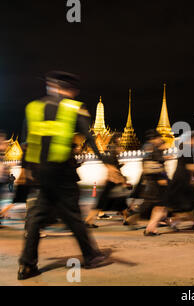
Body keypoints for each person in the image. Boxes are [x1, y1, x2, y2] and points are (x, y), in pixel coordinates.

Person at [17, 71, 120, 280]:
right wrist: (108, 164)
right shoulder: (73, 107)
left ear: (51, 86)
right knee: (73, 215)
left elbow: (26, 143)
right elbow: (91, 137)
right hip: (62, 171)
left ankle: (27, 265)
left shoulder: (34, 107)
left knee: (36, 217)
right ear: (71, 89)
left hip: (40, 172)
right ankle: (91, 256)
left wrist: (24, 170)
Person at [165, 133, 194, 234]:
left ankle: (175, 222)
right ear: (192, 139)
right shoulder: (186, 148)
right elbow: (186, 165)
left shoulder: (186, 148)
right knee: (193, 203)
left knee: (188, 205)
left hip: (182, 180)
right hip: (182, 180)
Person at [84, 133, 129, 228]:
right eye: (120, 138)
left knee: (117, 201)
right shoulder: (113, 149)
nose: (121, 150)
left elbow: (112, 163)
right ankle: (88, 221)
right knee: (118, 201)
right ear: (117, 139)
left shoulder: (111, 150)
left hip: (113, 179)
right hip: (113, 180)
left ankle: (89, 220)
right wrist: (119, 178)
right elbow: (111, 165)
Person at [141, 130, 171, 236]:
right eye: (159, 138)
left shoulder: (147, 148)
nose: (160, 140)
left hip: (151, 182)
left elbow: (148, 164)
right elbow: (154, 166)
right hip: (157, 182)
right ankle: (150, 228)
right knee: (160, 206)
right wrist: (162, 178)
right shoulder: (153, 148)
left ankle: (151, 228)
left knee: (159, 206)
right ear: (155, 138)